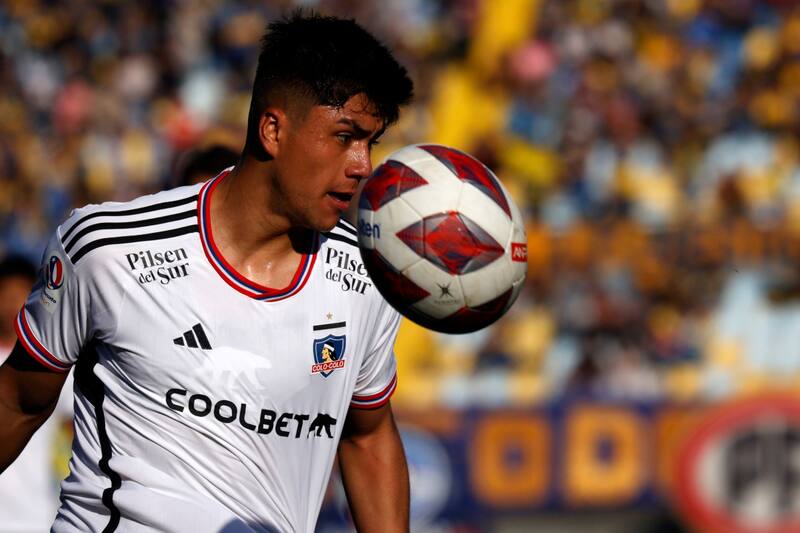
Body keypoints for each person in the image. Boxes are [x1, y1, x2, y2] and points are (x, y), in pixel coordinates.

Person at [0, 11, 413, 533]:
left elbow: (367, 436)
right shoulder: (109, 252)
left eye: (370, 142)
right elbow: (18, 401)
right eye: (345, 136)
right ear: (273, 130)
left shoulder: (366, 277)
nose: (362, 166)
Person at [0, 256, 74, 531]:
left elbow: (74, 427)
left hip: (35, 515)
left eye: (19, 296)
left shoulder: (52, 367)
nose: (12, 304)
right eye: (6, 296)